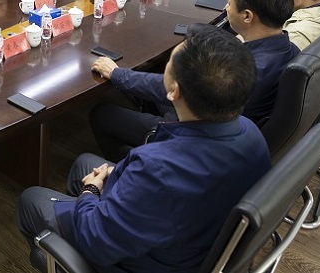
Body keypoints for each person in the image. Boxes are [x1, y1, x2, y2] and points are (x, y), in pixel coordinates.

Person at [17, 24, 271, 273]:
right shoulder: (252, 133)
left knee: (32, 199)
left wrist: (90, 191)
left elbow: (97, 240)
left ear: (173, 90)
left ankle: (63, 260)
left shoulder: (156, 169)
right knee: (83, 163)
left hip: (149, 260)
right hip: (196, 237)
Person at [89, 0, 299, 161]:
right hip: (228, 127)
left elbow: (173, 87)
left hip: (199, 137)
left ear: (247, 16)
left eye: (229, 3)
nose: (226, 8)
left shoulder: (249, 69)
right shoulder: (288, 49)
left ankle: (125, 168)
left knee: (102, 113)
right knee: (154, 72)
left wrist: (116, 74)